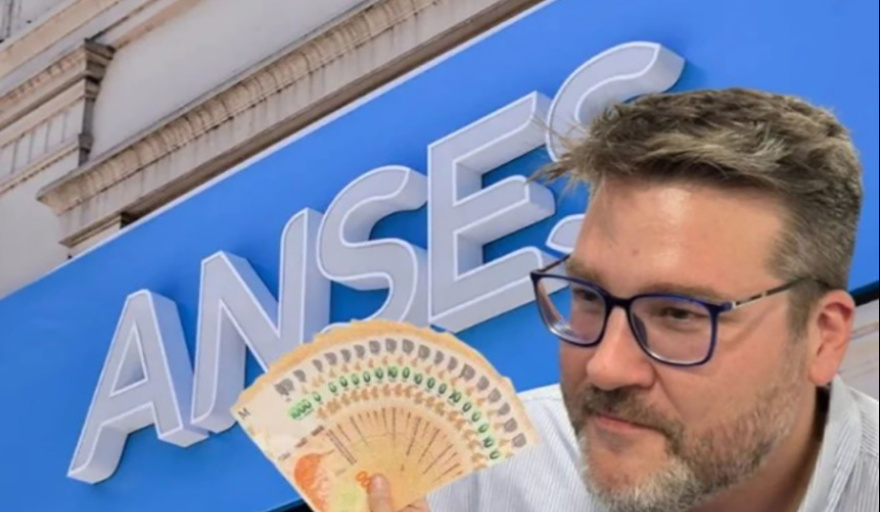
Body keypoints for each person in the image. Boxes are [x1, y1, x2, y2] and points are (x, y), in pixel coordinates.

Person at [367, 88, 879, 512]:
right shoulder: (473, 478)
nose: (605, 368)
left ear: (822, 337)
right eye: (588, 297)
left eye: (678, 314)